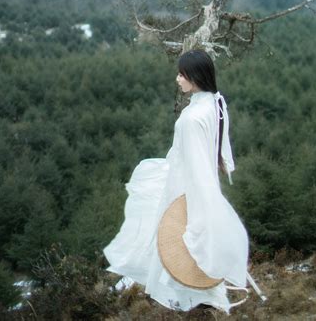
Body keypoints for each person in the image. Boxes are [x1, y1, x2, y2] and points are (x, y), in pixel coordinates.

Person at [103, 49, 249, 313]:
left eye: (182, 74)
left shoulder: (192, 117)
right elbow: (216, 152)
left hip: (186, 185)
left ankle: (188, 295)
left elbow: (196, 164)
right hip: (194, 180)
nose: (177, 79)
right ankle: (194, 293)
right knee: (183, 239)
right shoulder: (213, 103)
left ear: (195, 76)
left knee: (177, 239)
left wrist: (200, 198)